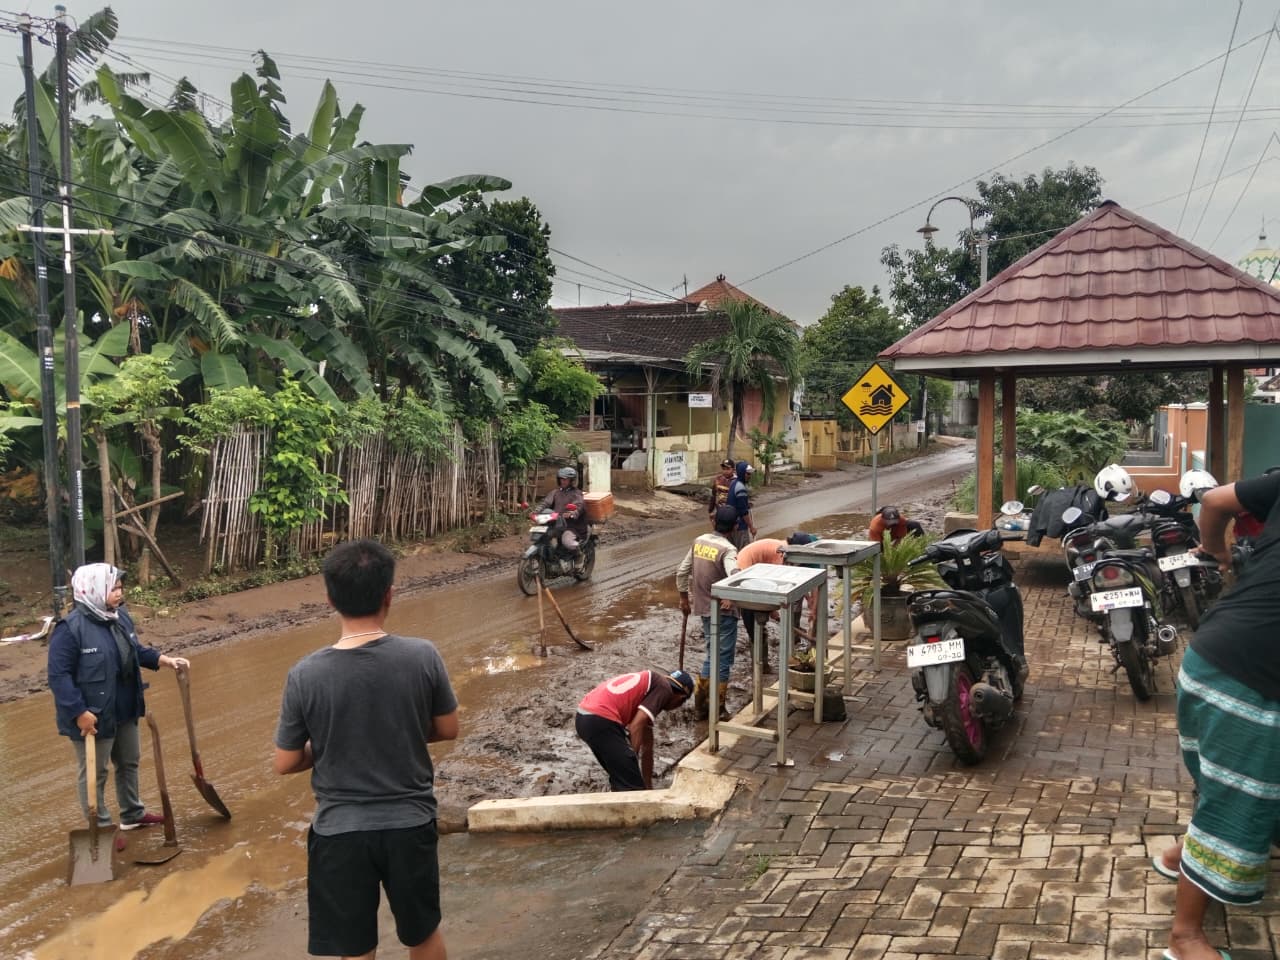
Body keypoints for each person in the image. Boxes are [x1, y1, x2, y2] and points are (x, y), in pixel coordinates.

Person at [274, 539, 458, 960]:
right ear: (389, 594)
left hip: (340, 832)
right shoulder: (422, 655)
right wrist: (400, 729)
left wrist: (326, 745)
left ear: (329, 599)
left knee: (354, 947)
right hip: (410, 824)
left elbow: (285, 762)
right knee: (423, 934)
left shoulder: (305, 674)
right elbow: (448, 728)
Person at [1155, 471, 1280, 960]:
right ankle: (1184, 937)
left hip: (1216, 654)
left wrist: (1218, 552)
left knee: (1228, 787)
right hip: (1246, 676)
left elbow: (1213, 501)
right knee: (1235, 800)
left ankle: (1179, 856)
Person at [48, 563, 189, 832]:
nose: (119, 593)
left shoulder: (119, 617)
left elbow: (134, 650)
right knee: (95, 771)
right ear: (93, 589)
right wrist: (78, 712)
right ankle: (101, 828)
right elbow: (59, 677)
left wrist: (165, 660)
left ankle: (132, 814)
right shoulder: (70, 628)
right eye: (112, 588)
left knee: (129, 761)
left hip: (125, 705)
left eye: (120, 588)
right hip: (92, 714)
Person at [575, 669, 695, 790]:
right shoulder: (665, 689)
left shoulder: (650, 690)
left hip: (584, 717)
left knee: (621, 777)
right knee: (632, 786)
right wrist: (632, 760)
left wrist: (648, 785)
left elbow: (647, 746)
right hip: (601, 719)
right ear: (681, 698)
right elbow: (635, 726)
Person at [676, 504, 741, 720]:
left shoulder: (700, 541)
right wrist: (731, 596)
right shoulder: (728, 550)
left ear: (713, 521)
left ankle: (701, 708)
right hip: (723, 612)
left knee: (712, 654)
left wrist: (684, 599)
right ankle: (718, 709)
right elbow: (735, 574)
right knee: (723, 659)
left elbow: (682, 571)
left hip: (703, 608)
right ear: (735, 526)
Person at [538, 465, 589, 569]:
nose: (563, 481)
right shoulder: (555, 492)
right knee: (543, 536)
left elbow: (579, 505)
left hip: (572, 525)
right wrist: (536, 511)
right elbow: (545, 503)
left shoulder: (577, 493)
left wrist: (572, 513)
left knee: (567, 542)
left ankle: (579, 555)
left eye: (566, 479)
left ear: (571, 481)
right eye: (561, 479)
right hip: (557, 523)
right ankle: (551, 558)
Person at [727, 461, 757, 549]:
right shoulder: (741, 489)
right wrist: (751, 527)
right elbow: (744, 512)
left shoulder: (733, 483)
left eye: (750, 474)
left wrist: (746, 504)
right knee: (743, 551)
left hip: (731, 525)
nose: (749, 476)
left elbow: (735, 502)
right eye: (747, 474)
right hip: (740, 527)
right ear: (741, 473)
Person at [707, 458, 736, 525]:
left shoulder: (737, 481)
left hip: (732, 513)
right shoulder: (718, 479)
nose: (725, 471)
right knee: (718, 530)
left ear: (733, 470)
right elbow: (713, 495)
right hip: (719, 512)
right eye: (723, 469)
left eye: (728, 469)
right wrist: (710, 510)